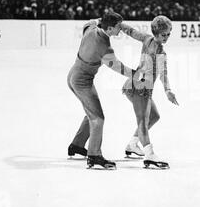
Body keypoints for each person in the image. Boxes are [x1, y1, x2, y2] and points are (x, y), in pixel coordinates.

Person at [67, 12, 136, 170]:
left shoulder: (90, 29)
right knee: (98, 118)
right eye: (119, 27)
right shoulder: (104, 46)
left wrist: (101, 20)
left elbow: (88, 22)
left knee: (91, 113)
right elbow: (118, 67)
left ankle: (77, 145)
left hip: (73, 74)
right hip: (82, 81)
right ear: (110, 28)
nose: (121, 30)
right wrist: (136, 74)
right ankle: (94, 155)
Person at [120, 16, 179, 169]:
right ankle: (150, 155)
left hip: (134, 85)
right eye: (163, 35)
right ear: (156, 33)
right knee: (143, 121)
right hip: (141, 87)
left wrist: (119, 24)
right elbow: (163, 73)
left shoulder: (147, 39)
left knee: (154, 116)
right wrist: (168, 90)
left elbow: (131, 32)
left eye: (168, 34)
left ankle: (132, 145)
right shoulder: (160, 51)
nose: (166, 38)